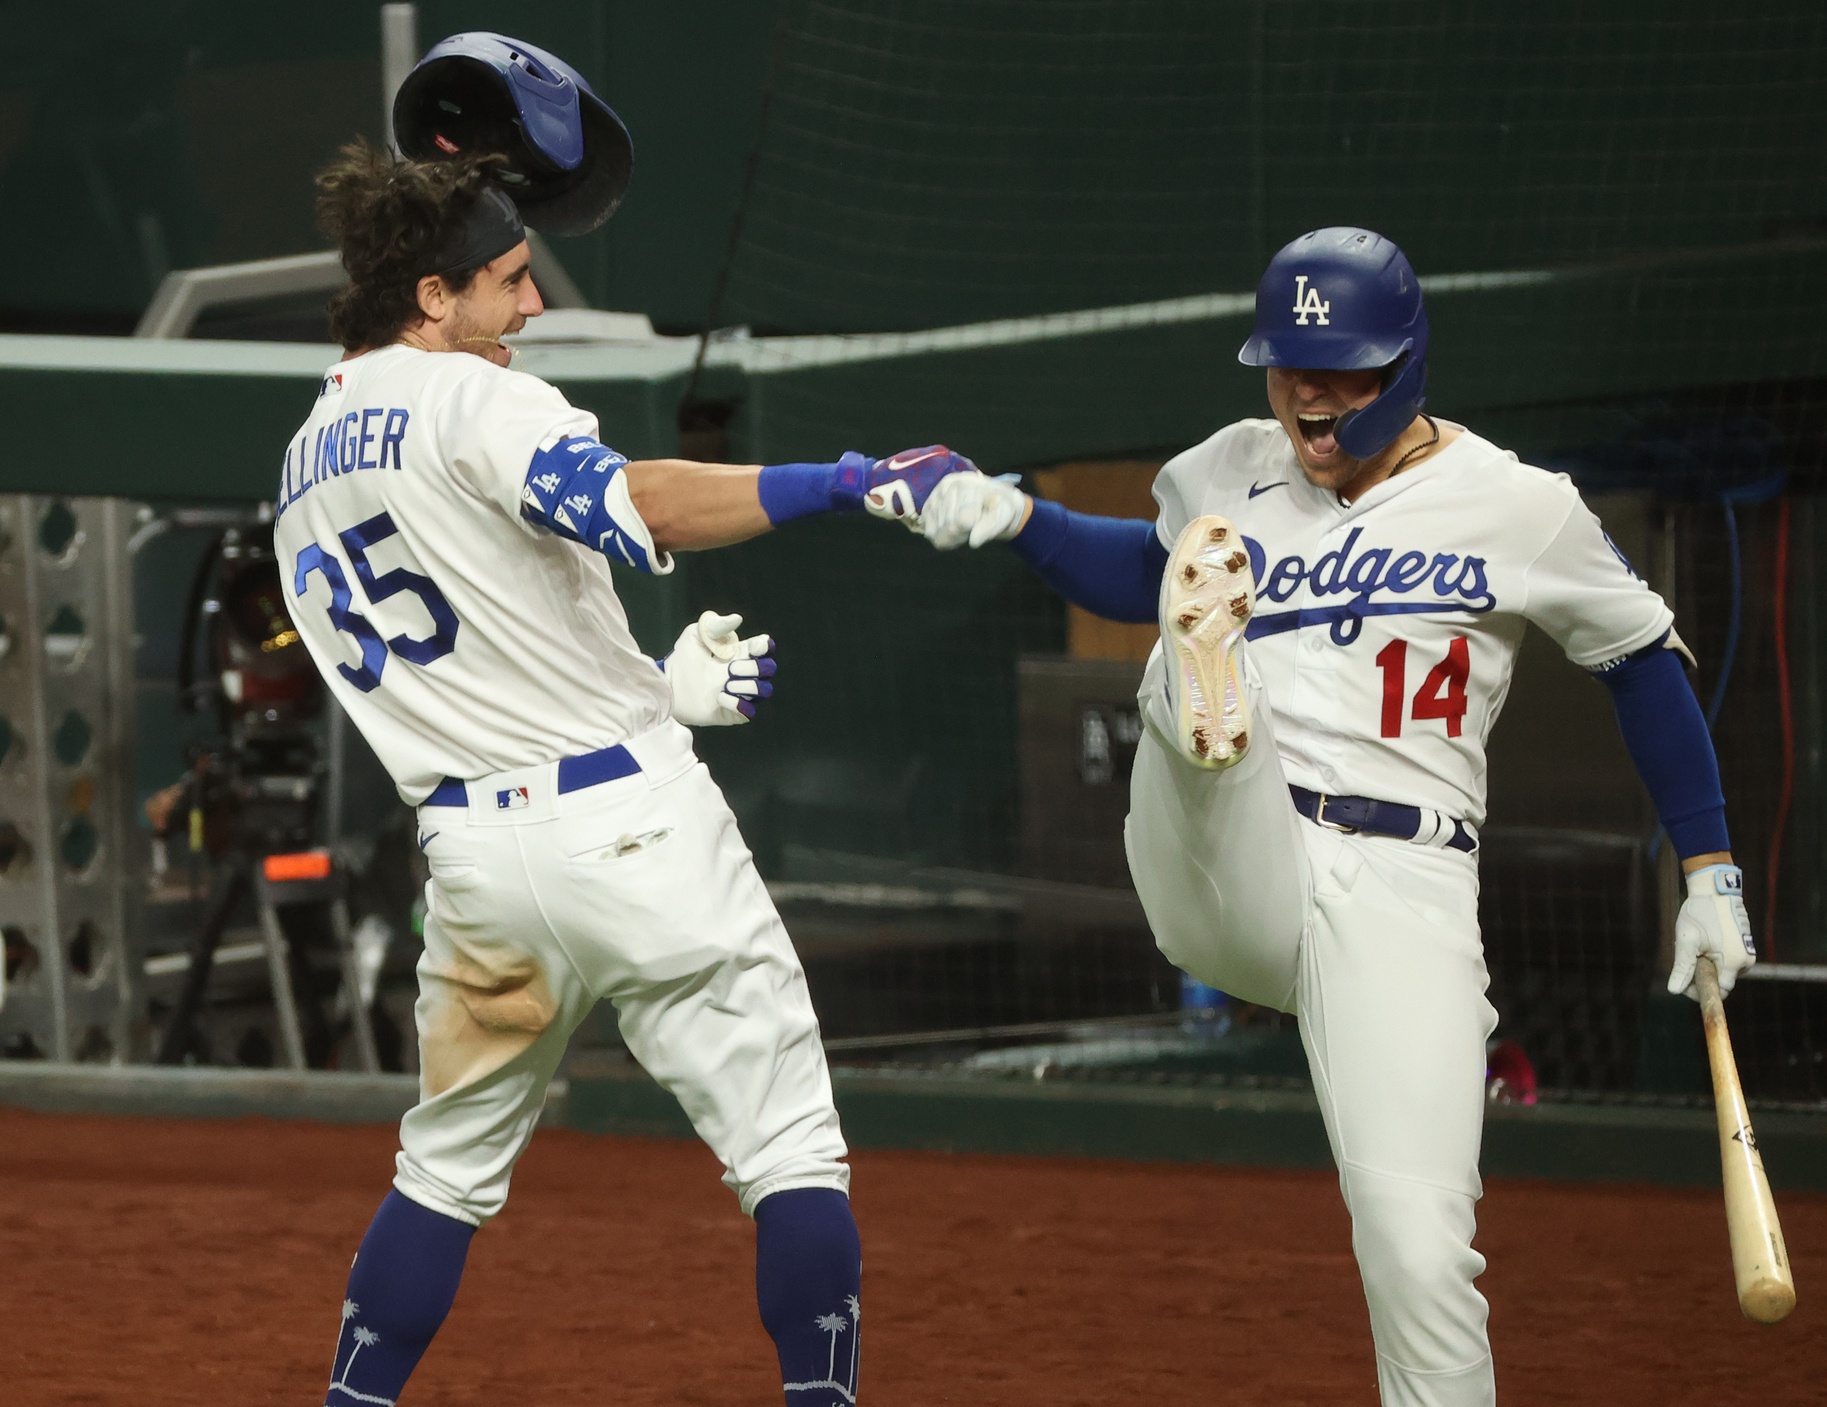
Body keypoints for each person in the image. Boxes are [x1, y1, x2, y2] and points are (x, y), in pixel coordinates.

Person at [882, 227, 1757, 1407]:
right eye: (1289, 362)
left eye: (1340, 366)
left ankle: (1206, 690)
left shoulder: (1516, 505)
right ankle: (1203, 694)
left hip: (1405, 887)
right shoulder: (1226, 472)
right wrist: (1013, 516)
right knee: (1194, 658)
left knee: (1421, 1254)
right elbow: (1128, 564)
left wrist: (1710, 869)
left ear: (1405, 366)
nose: (1307, 390)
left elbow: (1642, 655)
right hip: (1231, 849)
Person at [285, 133, 974, 1407]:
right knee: (789, 1152)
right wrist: (846, 480)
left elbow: (485, 656)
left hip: (478, 874)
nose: (531, 303)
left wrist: (659, 694)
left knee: (441, 1175)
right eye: (505, 281)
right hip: (639, 839)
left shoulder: (304, 460)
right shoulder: (476, 397)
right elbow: (643, 505)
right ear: (430, 299)